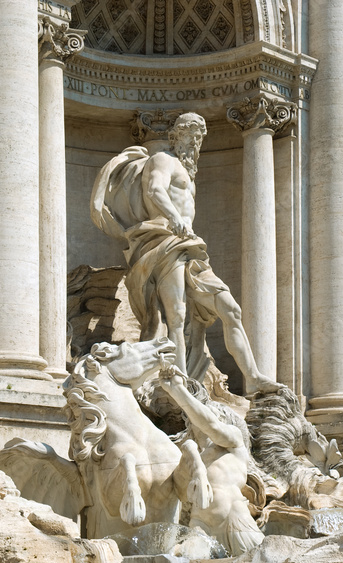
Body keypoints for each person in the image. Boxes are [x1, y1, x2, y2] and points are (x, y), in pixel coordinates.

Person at [91, 112, 281, 395]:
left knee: (231, 309)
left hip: (190, 247)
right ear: (175, 136)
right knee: (176, 317)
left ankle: (252, 377)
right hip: (164, 242)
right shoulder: (163, 160)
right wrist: (173, 217)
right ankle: (177, 384)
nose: (194, 143)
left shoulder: (189, 173)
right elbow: (154, 189)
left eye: (198, 139)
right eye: (189, 136)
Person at [157, 365, 265, 556]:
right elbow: (180, 494)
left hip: (235, 521)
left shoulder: (234, 442)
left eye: (205, 414)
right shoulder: (190, 458)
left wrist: (177, 390)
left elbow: (211, 426)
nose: (198, 421)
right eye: (193, 418)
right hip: (200, 529)